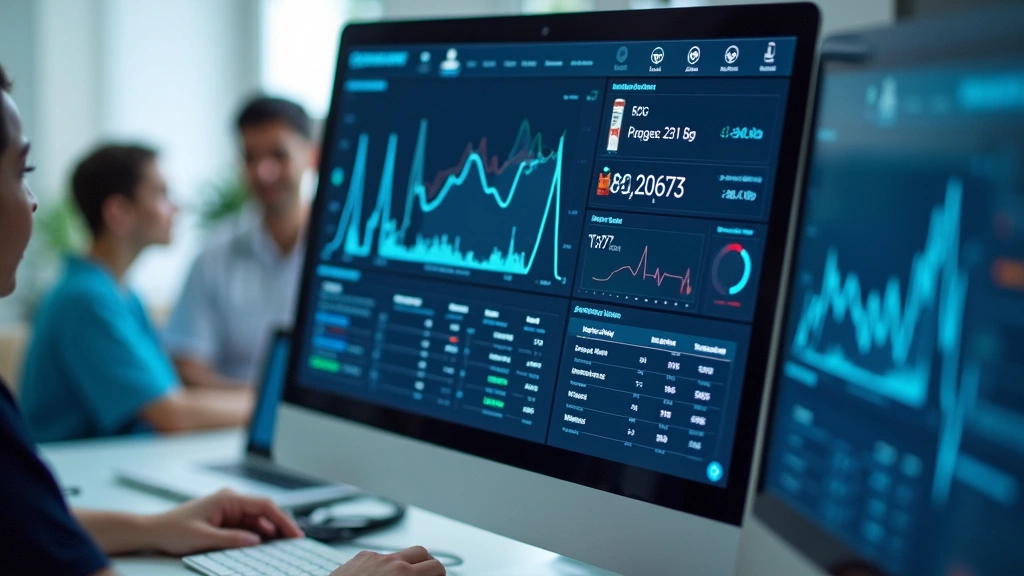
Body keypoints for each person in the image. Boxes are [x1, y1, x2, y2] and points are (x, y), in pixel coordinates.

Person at [0, 62, 444, 576]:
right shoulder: (88, 298)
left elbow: (25, 521)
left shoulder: (122, 296)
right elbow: (172, 405)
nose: (32, 201)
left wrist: (154, 528)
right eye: (20, 173)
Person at [18, 143, 253, 442]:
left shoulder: (123, 295)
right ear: (120, 212)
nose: (177, 207)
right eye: (162, 194)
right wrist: (270, 407)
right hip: (79, 476)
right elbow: (172, 414)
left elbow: (170, 391)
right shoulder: (84, 299)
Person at [165, 96, 315, 389]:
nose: (263, 172)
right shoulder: (213, 257)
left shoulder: (342, 256)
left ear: (312, 156)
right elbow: (189, 369)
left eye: (279, 156)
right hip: (232, 425)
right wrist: (271, 402)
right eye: (250, 158)